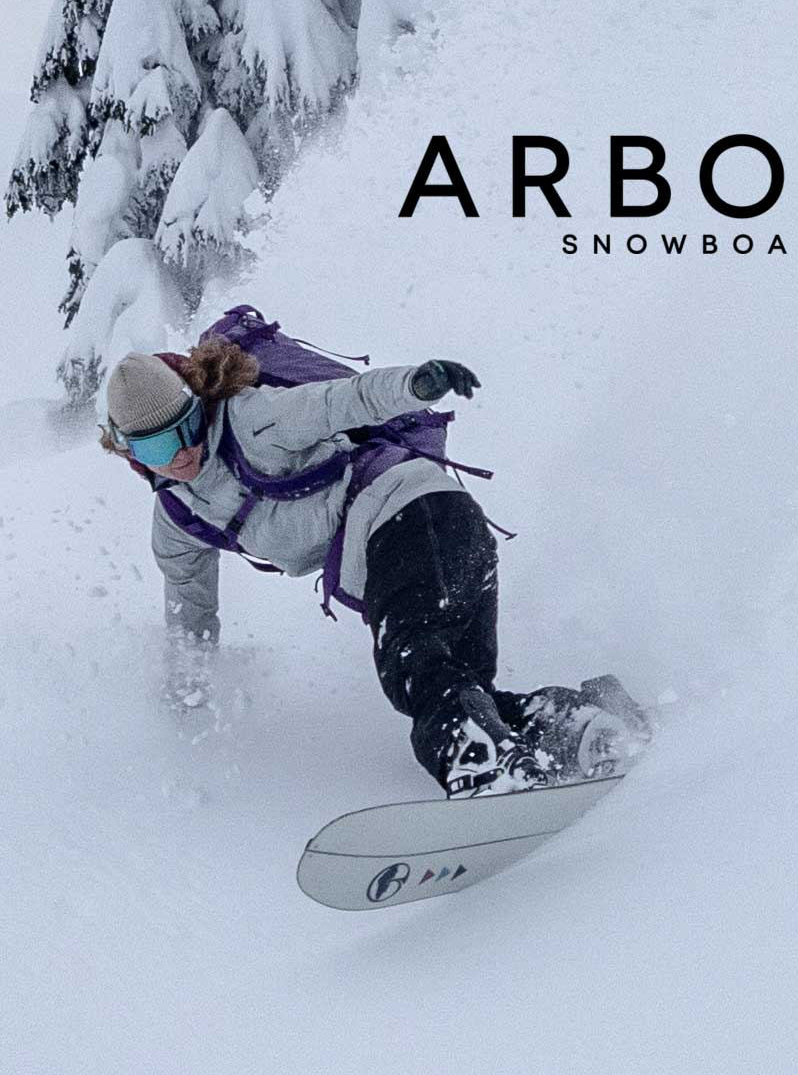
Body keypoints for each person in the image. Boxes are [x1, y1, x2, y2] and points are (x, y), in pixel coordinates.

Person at [101, 338, 646, 798]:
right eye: (153, 445)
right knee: (454, 687)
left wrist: (418, 385)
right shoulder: (177, 516)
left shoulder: (254, 420)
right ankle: (579, 726)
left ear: (199, 404)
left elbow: (344, 402)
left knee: (417, 676)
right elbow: (190, 608)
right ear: (127, 451)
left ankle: (486, 774)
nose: (177, 454)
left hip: (414, 519)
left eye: (184, 428)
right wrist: (187, 687)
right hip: (432, 536)